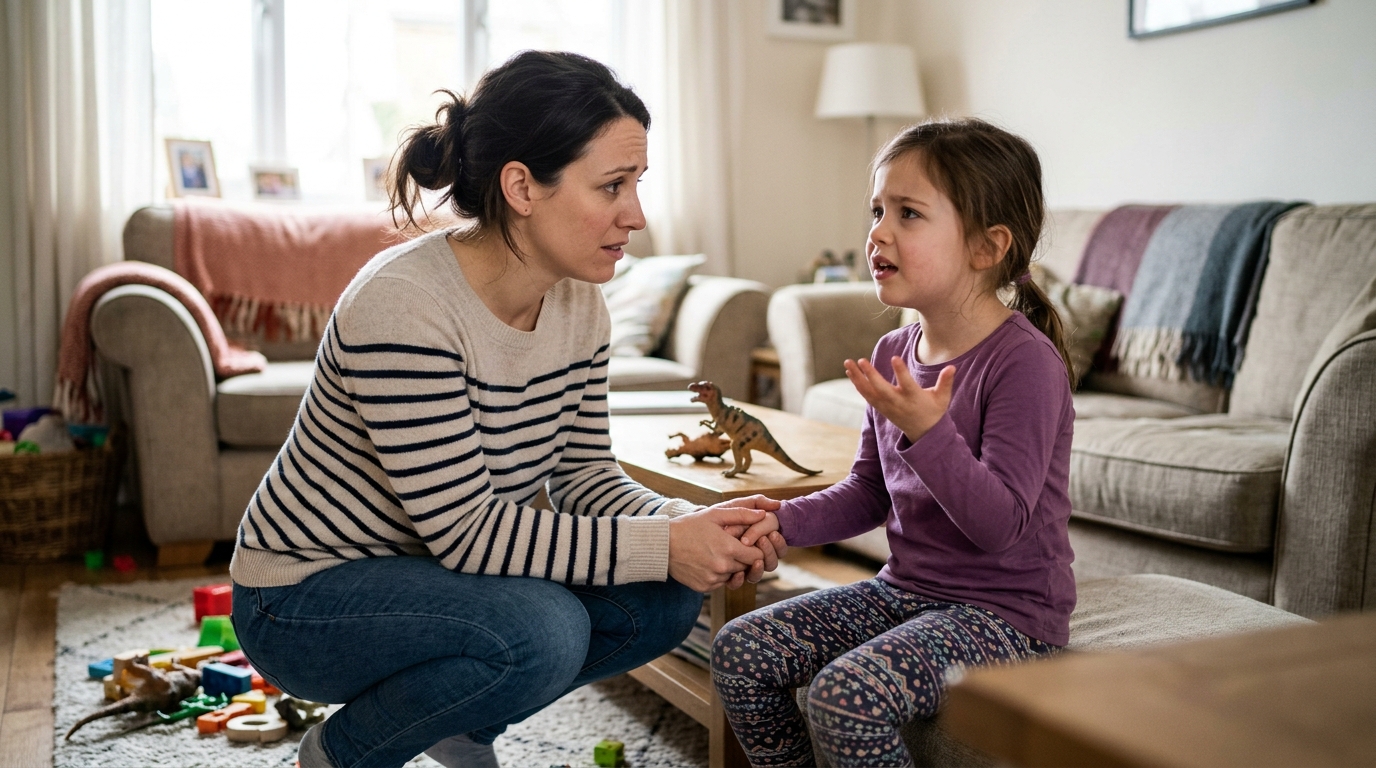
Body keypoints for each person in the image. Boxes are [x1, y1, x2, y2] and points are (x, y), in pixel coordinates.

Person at [228, 51, 786, 768]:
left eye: (637, 184)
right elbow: (467, 534)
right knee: (541, 629)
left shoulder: (580, 301)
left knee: (668, 591)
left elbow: (584, 477)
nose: (636, 214)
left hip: (441, 580)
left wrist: (688, 529)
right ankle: (338, 755)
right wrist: (669, 543)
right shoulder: (406, 306)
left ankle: (461, 723)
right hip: (305, 600)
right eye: (613, 185)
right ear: (521, 186)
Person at [711, 118, 1078, 767]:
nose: (877, 232)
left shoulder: (1025, 364)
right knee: (739, 651)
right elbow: (868, 493)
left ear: (987, 246)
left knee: (845, 696)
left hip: (1007, 619)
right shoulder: (893, 350)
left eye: (908, 213)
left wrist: (930, 432)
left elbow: (1000, 527)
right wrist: (777, 522)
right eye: (877, 209)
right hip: (905, 590)